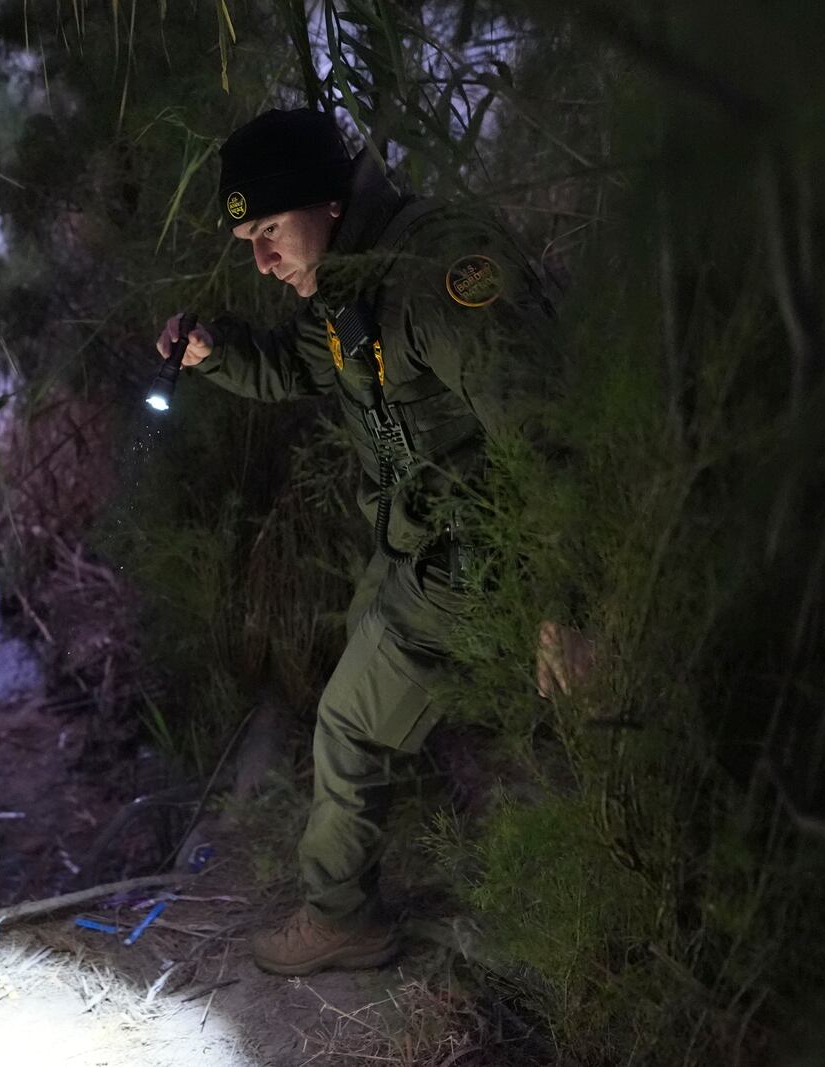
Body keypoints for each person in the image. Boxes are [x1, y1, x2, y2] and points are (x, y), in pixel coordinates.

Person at [155, 107, 583, 977]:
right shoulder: (344, 285)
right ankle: (478, 854)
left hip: (486, 561)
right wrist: (212, 353)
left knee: (353, 724)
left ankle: (345, 917)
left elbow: (548, 438)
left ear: (327, 204)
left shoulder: (435, 271)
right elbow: (297, 367)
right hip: (417, 548)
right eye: (248, 239)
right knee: (380, 697)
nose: (262, 259)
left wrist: (565, 603)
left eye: (269, 231)